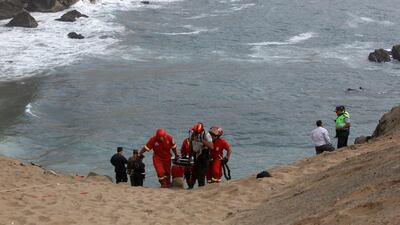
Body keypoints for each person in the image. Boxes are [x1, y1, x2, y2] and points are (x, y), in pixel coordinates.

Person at [187, 122, 214, 188]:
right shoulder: (193, 133)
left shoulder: (206, 135)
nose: (196, 133)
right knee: (194, 172)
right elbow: (191, 144)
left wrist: (202, 141)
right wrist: (190, 155)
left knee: (201, 174)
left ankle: (201, 188)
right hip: (196, 155)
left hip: (204, 155)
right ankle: (191, 187)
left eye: (197, 132)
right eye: (195, 132)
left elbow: (211, 146)